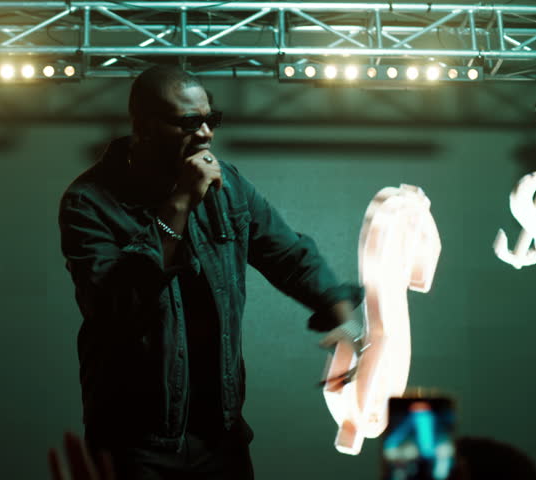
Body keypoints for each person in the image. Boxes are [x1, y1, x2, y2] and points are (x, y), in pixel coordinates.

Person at [58, 64, 365, 479]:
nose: (205, 134)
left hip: (221, 436)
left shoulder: (229, 188)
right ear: (144, 128)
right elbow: (114, 307)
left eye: (210, 120)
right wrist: (180, 203)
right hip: (134, 442)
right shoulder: (89, 203)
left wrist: (343, 317)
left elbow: (289, 255)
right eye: (188, 123)